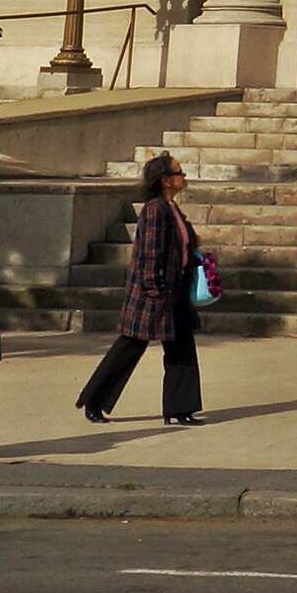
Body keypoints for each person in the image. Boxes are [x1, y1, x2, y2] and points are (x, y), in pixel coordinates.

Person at [79, 154, 207, 426]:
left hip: (176, 291)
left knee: (182, 349)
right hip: (154, 294)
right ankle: (95, 401)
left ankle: (181, 408)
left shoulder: (171, 208)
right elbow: (150, 253)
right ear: (165, 180)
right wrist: (153, 288)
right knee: (129, 346)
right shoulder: (154, 210)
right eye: (179, 172)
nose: (184, 177)